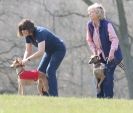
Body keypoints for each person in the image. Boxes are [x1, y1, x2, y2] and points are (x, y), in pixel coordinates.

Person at [17, 19, 66, 96]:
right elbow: (28, 50)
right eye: (21, 30)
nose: (23, 32)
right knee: (40, 72)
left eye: (24, 30)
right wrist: (24, 60)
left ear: (30, 29)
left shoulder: (40, 33)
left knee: (50, 70)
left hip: (58, 49)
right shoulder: (28, 36)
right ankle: (45, 95)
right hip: (49, 51)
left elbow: (40, 52)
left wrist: (28, 59)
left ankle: (54, 96)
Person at [86, 3, 123, 98]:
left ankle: (108, 98)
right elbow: (89, 40)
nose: (89, 13)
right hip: (100, 55)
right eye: (89, 12)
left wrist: (111, 54)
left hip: (114, 55)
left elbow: (115, 40)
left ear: (98, 14)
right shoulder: (90, 25)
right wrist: (94, 52)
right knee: (98, 74)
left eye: (91, 12)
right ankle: (100, 98)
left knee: (107, 74)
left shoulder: (107, 25)